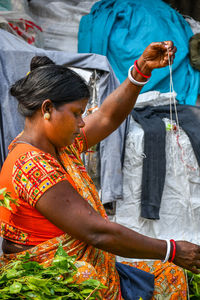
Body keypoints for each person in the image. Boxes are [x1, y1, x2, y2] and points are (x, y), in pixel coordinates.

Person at [0, 41, 199, 300]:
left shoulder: (58, 147)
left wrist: (141, 71)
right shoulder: (32, 166)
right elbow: (97, 232)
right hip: (58, 283)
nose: (82, 122)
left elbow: (107, 116)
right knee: (168, 274)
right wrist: (172, 250)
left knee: (172, 277)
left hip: (85, 268)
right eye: (76, 113)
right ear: (47, 109)